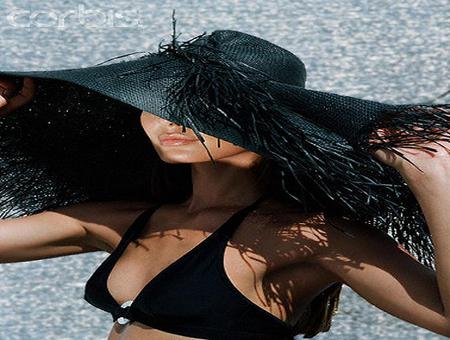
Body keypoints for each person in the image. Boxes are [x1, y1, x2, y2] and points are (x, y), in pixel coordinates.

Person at [1, 72, 450, 340]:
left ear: (268, 125)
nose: (173, 120)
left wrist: (430, 177)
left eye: (207, 106)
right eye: (161, 102)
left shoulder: (310, 235)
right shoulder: (125, 220)